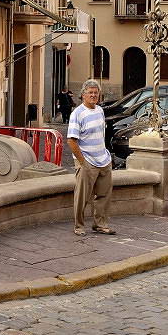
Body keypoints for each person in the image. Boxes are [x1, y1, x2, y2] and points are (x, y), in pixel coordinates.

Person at [67, 79, 115, 236]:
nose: (94, 95)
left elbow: (102, 134)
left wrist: (106, 154)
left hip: (103, 160)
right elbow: (71, 140)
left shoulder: (100, 110)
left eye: (96, 93)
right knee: (82, 197)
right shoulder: (77, 114)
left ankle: (100, 224)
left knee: (103, 196)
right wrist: (82, 162)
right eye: (90, 93)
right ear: (83, 95)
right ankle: (79, 226)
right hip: (87, 162)